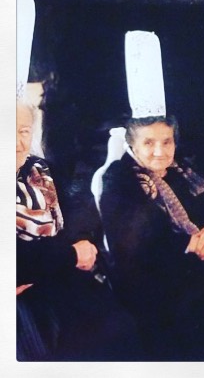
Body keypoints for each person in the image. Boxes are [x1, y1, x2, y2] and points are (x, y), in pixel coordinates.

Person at [99, 115, 204, 361]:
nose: (160, 151)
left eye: (166, 142)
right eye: (149, 143)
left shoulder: (181, 172)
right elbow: (136, 242)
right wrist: (200, 246)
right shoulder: (120, 179)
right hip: (149, 272)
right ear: (133, 145)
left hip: (187, 260)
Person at [16, 98, 146, 361]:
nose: (18, 143)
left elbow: (74, 216)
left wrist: (80, 243)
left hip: (57, 272)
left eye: (24, 131)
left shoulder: (40, 169)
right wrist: (70, 253)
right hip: (27, 294)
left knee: (121, 326)